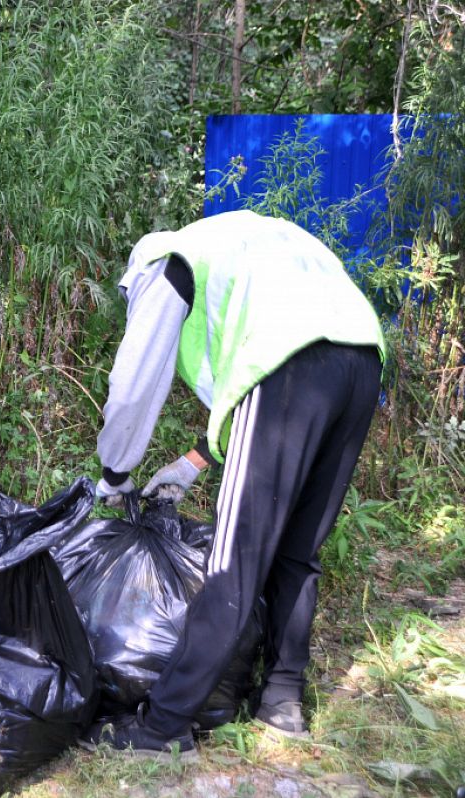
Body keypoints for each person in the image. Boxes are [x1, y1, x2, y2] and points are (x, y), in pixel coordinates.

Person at [85, 209, 384, 760]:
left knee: (234, 561)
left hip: (286, 364)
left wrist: (115, 473)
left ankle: (163, 725)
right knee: (298, 551)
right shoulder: (245, 241)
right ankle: (283, 700)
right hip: (362, 357)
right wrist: (193, 462)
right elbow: (255, 406)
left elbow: (132, 388)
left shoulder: (164, 262)